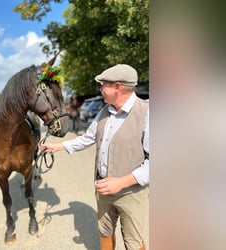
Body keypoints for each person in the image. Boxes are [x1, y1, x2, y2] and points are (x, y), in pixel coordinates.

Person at [40, 64, 149, 250]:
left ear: (117, 87)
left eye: (103, 84)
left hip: (132, 193)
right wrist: (58, 147)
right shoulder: (105, 111)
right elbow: (88, 138)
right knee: (105, 232)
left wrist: (122, 182)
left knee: (133, 242)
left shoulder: (147, 113)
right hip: (103, 191)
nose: (100, 89)